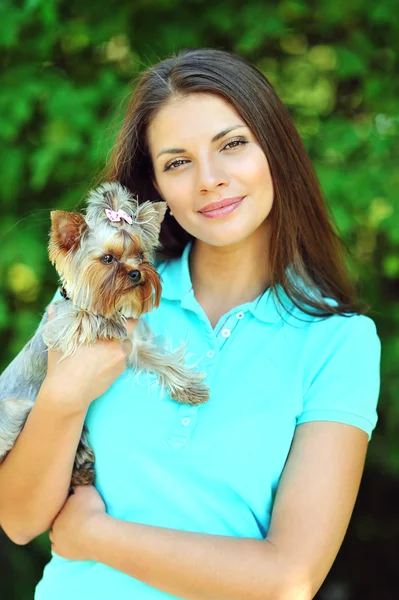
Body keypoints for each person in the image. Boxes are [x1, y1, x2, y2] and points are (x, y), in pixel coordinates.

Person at [0, 48, 380, 600]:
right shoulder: (102, 306)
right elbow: (18, 520)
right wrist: (62, 397)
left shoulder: (338, 342)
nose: (210, 179)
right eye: (178, 162)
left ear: (275, 149)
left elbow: (288, 578)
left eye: (232, 145)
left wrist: (95, 535)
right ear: (156, 189)